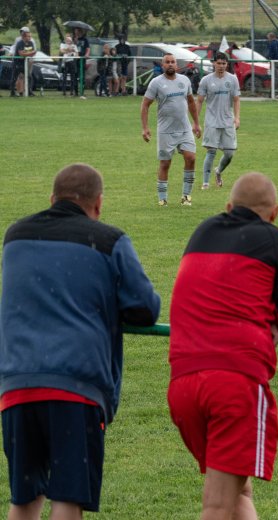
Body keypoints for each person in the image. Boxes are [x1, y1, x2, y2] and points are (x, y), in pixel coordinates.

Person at [0, 163, 161, 518]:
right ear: (98, 203)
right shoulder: (109, 240)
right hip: (75, 388)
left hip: (17, 386)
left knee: (24, 499)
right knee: (68, 498)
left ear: (51, 199)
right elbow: (145, 308)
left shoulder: (15, 237)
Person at [169, 172, 278, 520]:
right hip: (234, 383)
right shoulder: (276, 240)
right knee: (217, 505)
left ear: (229, 207)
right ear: (275, 213)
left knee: (238, 490)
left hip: (182, 385)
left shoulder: (202, 231)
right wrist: (272, 320)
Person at [141, 52, 202, 206]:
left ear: (176, 64)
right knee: (165, 164)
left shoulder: (184, 80)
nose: (170, 64)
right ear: (163, 65)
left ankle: (186, 196)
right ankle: (162, 199)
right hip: (165, 131)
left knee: (191, 158)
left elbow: (191, 102)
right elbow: (145, 105)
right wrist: (145, 128)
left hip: (184, 129)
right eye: (167, 62)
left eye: (172, 62)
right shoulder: (156, 83)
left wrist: (196, 123)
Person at [196, 51, 241, 190]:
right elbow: (199, 101)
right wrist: (196, 122)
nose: (221, 66)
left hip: (228, 121)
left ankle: (218, 171)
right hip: (211, 121)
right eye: (219, 63)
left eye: (224, 63)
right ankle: (205, 183)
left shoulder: (232, 79)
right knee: (211, 151)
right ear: (214, 63)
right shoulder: (206, 80)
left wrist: (237, 118)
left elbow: (236, 99)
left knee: (229, 153)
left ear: (227, 64)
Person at [12, 28, 36, 97]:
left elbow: (34, 53)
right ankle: (13, 92)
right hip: (17, 62)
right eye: (28, 36)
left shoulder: (31, 43)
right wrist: (29, 53)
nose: (30, 38)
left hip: (25, 63)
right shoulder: (19, 43)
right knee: (15, 78)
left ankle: (29, 91)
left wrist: (26, 53)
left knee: (29, 77)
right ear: (24, 37)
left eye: (30, 36)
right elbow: (21, 54)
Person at [73, 27, 90, 97]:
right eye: (75, 31)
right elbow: (71, 47)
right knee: (75, 75)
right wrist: (75, 41)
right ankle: (76, 92)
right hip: (75, 59)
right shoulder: (74, 39)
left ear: (80, 32)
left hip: (82, 59)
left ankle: (82, 92)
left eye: (77, 31)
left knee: (82, 76)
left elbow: (88, 48)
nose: (76, 32)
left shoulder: (85, 39)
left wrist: (87, 54)